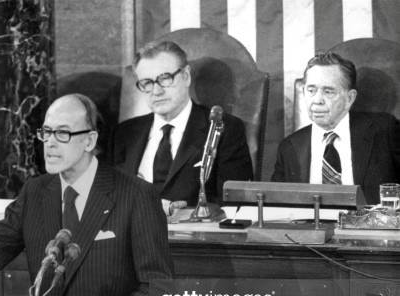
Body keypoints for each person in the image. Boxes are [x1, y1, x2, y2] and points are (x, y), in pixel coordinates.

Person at [0, 94, 173, 296]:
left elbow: (160, 290)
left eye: (62, 133)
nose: (50, 143)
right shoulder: (35, 192)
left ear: (89, 141)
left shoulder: (136, 195)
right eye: (46, 132)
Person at [109, 40, 253, 212]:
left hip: (192, 235)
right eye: (147, 83)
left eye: (165, 79)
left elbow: (234, 204)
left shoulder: (222, 129)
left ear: (186, 76)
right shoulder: (124, 133)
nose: (156, 91)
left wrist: (179, 212)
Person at [272, 52, 400, 204]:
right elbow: (277, 206)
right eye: (311, 90)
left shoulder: (384, 131)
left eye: (328, 91)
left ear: (350, 98)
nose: (317, 100)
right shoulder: (289, 147)